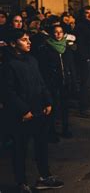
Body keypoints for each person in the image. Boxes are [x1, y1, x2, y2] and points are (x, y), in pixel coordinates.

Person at [1, 28, 64, 192]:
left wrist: (48, 101)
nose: (29, 42)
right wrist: (23, 110)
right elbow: (8, 92)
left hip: (39, 111)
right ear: (13, 44)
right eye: (24, 40)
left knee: (41, 145)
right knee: (20, 149)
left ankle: (44, 176)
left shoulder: (32, 60)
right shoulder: (7, 65)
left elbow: (41, 83)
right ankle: (21, 182)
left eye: (28, 39)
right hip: (21, 115)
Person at [37, 24, 76, 140]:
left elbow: (71, 65)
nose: (58, 34)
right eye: (56, 32)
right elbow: (43, 67)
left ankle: (65, 129)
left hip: (65, 81)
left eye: (60, 32)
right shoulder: (46, 47)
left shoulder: (67, 48)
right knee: (52, 107)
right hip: (52, 82)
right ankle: (51, 131)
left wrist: (73, 79)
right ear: (51, 34)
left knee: (65, 106)